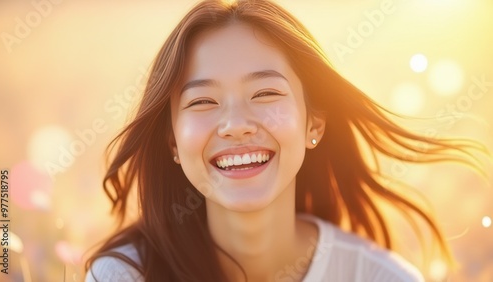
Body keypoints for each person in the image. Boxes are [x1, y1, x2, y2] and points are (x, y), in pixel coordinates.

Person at [84, 0, 486, 281]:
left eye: (265, 94)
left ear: (313, 124)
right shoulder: (124, 276)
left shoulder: (381, 277)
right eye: (203, 101)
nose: (236, 125)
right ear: (172, 142)